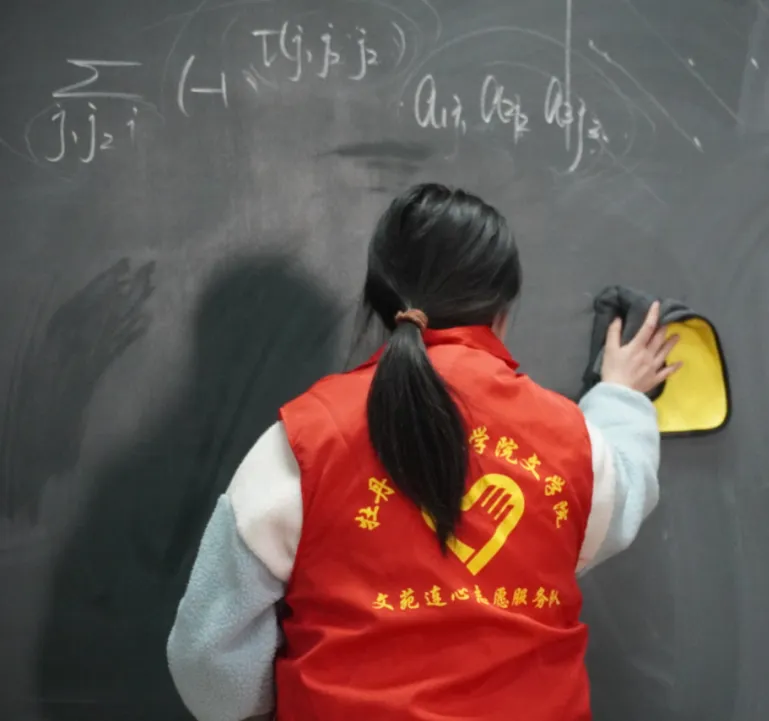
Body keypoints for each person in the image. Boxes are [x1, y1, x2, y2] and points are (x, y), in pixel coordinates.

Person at [166, 182, 680, 721]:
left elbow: (209, 660)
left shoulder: (299, 442)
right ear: (502, 312)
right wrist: (620, 395)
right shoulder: (574, 442)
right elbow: (622, 495)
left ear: (380, 304)